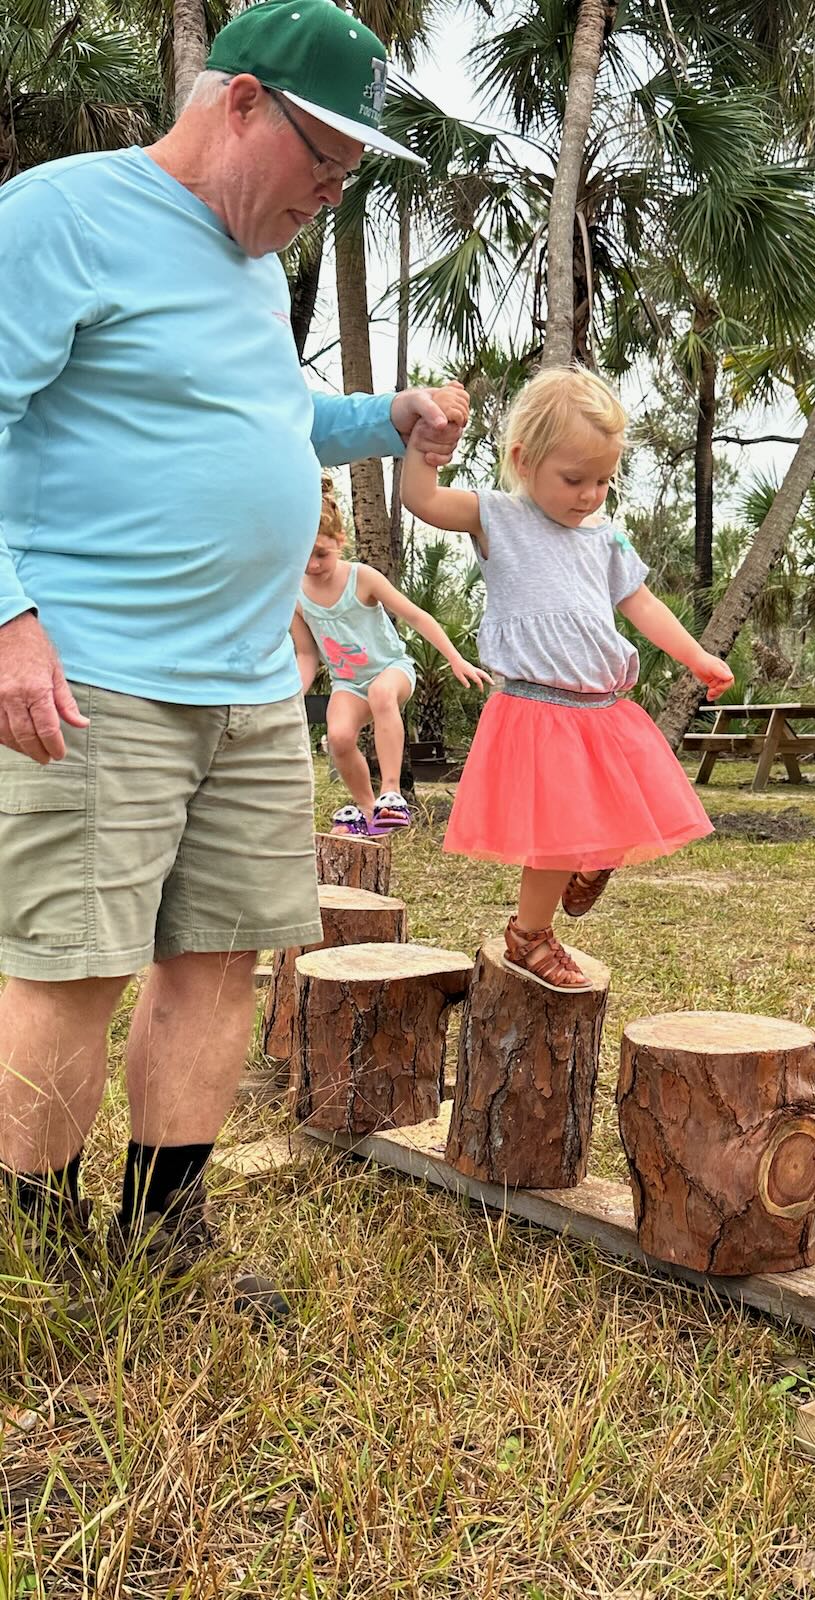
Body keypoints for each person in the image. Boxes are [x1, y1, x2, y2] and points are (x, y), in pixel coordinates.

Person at [0, 0, 470, 1316]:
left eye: (351, 176)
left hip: (255, 684)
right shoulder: (62, 215)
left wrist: (389, 417)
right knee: (73, 965)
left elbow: (272, 416)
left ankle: (163, 1235)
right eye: (322, 161)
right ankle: (34, 1264)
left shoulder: (258, 267)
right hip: (97, 677)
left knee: (218, 961)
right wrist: (6, 619)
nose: (330, 194)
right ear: (241, 101)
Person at [402, 365, 734, 992]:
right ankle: (529, 934)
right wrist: (425, 444)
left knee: (614, 810)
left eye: (604, 480)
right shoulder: (497, 516)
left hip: (603, 709)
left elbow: (643, 606)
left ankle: (594, 859)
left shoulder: (605, 540)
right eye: (574, 478)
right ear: (524, 461)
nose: (590, 494)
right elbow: (421, 501)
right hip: (537, 708)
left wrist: (697, 656)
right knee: (553, 835)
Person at [293, 478, 490, 835]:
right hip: (348, 683)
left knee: (382, 694)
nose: (312, 564)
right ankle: (370, 813)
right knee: (338, 737)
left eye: (320, 553)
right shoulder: (296, 595)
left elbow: (417, 616)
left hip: (392, 669)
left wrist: (455, 658)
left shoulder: (362, 578)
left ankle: (391, 793)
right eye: (302, 554)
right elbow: (308, 654)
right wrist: (293, 694)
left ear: (340, 542)